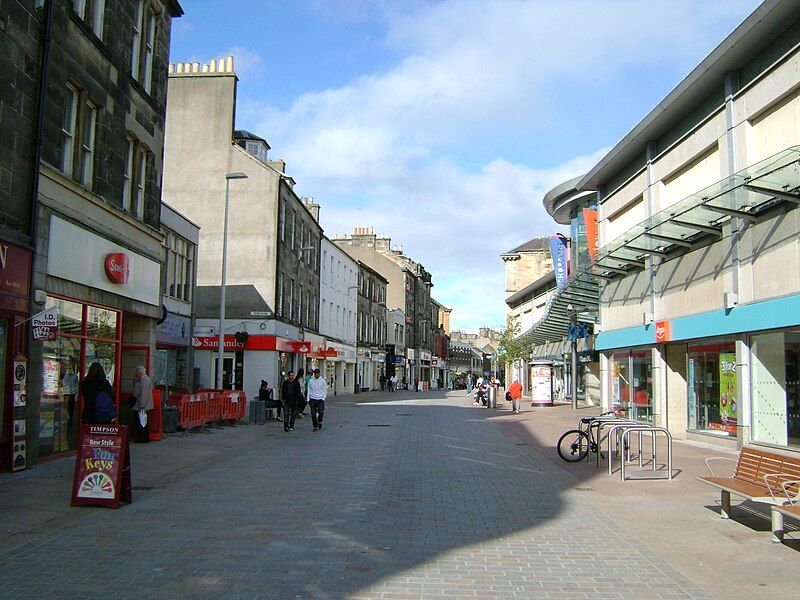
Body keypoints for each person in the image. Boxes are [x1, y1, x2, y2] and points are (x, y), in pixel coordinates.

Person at [131, 366, 153, 443]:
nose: (137, 374)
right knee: (142, 422)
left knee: (142, 422)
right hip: (140, 404)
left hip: (141, 405)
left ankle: (142, 438)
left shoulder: (144, 380)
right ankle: (141, 437)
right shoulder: (141, 380)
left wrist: (142, 405)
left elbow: (144, 393)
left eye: (138, 372)